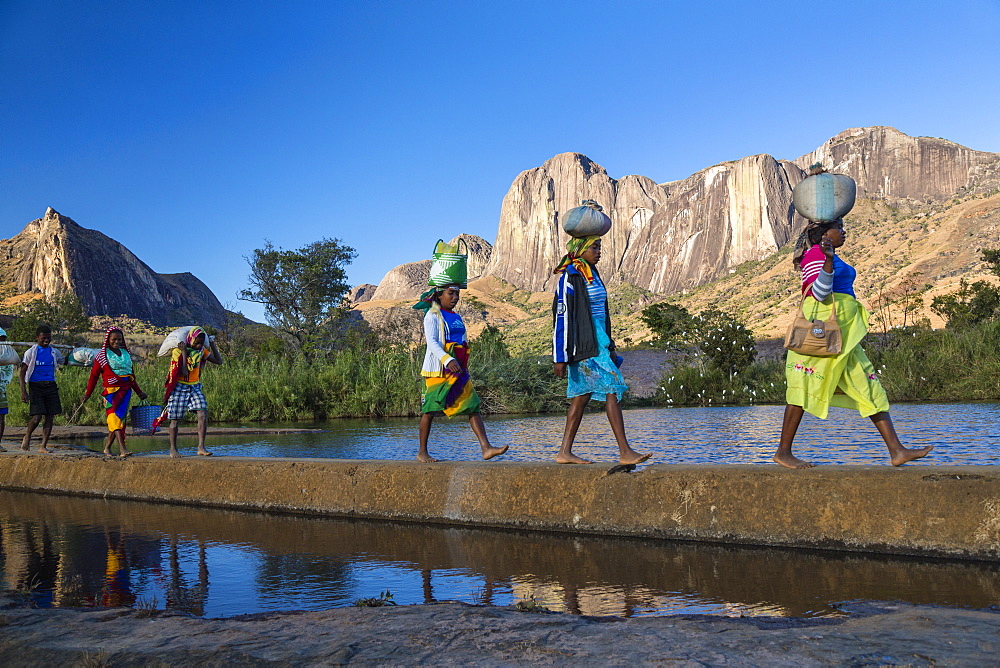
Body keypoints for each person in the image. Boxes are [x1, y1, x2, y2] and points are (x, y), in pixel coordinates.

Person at [774, 219, 934, 468]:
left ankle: (897, 450)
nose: (844, 231)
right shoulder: (815, 254)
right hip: (823, 333)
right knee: (803, 384)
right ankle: (783, 452)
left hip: (844, 335)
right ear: (824, 234)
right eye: (839, 227)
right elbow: (819, 293)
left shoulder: (826, 254)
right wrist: (828, 259)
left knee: (867, 382)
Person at [552, 236, 651, 465]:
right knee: (613, 386)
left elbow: (603, 315)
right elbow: (562, 318)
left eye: (600, 247)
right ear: (581, 249)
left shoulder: (593, 275)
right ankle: (625, 451)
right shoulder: (570, 276)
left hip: (600, 341)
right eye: (594, 247)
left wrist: (611, 346)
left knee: (581, 397)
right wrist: (560, 357)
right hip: (584, 343)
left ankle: (564, 452)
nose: (599, 252)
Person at [414, 284, 508, 463]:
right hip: (439, 370)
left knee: (473, 405)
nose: (455, 297)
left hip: (458, 370)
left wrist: (462, 362)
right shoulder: (433, 314)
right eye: (451, 293)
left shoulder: (456, 317)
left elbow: (462, 341)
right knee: (430, 410)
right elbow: (432, 343)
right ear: (440, 295)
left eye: (457, 293)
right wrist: (447, 359)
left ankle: (486, 448)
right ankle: (422, 452)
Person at [81, 326, 148, 458]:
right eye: (114, 339)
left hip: (126, 391)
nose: (116, 342)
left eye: (119, 339)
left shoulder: (125, 354)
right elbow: (93, 376)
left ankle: (107, 448)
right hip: (110, 392)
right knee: (114, 418)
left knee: (119, 420)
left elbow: (131, 376)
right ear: (108, 340)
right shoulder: (102, 356)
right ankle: (123, 449)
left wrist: (139, 392)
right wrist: (87, 394)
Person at [160, 327, 222, 458]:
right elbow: (183, 371)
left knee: (202, 412)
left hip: (194, 386)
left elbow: (218, 361)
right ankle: (173, 449)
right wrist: (183, 352)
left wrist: (212, 344)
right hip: (179, 387)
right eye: (196, 342)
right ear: (190, 339)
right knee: (175, 419)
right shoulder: (178, 351)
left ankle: (201, 447)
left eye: (200, 343)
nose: (198, 345)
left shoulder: (200, 352)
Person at [19, 324, 65, 454]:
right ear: (37, 338)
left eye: (49, 338)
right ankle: (27, 436)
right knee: (37, 417)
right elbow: (22, 373)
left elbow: (63, 361)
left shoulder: (54, 352)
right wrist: (24, 391)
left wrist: (77, 354)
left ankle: (43, 446)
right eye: (43, 338)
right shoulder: (31, 353)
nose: (46, 340)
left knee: (50, 416)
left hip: (50, 385)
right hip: (36, 386)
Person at [0, 328, 14, 452]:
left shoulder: (7, 355)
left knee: (1, 417)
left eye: (3, 339)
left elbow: (9, 372)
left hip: (1, 391)